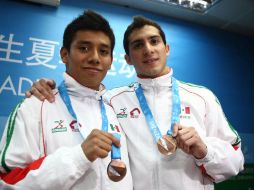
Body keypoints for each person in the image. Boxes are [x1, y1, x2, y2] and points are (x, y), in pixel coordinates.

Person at [25, 16, 244, 190]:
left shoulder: (202, 97)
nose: (148, 49)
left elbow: (236, 161)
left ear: (166, 49)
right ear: (128, 58)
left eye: (154, 41)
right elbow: (81, 96)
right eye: (138, 45)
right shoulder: (111, 100)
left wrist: (204, 151)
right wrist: (45, 86)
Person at [0, 10, 133, 190]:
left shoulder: (118, 108)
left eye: (103, 51)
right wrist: (78, 156)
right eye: (84, 48)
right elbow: (7, 181)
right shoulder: (34, 107)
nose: (94, 58)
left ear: (110, 61)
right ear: (64, 54)